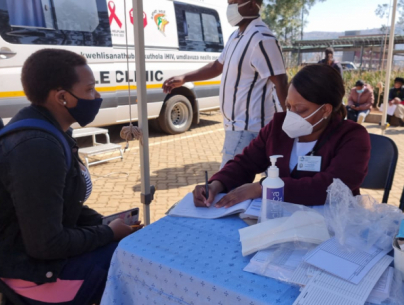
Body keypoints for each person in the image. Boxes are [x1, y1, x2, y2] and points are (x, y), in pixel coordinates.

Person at [0, 49, 141, 305]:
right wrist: (107, 234)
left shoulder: (51, 130)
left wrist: (105, 222)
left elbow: (62, 204)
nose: (96, 96)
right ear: (62, 97)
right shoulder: (38, 147)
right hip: (32, 276)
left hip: (41, 259)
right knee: (133, 264)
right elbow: (46, 244)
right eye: (89, 90)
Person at [192, 64, 371, 208]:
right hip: (278, 221)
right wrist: (216, 184)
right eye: (288, 107)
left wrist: (263, 189)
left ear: (325, 109)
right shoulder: (278, 128)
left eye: (300, 109)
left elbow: (332, 188)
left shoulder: (352, 136)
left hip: (332, 227)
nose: (291, 115)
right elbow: (245, 163)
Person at [163, 0, 288, 169]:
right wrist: (185, 77)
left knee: (225, 185)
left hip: (250, 127)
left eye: (235, 2)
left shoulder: (261, 39)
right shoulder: (235, 36)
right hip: (235, 127)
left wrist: (288, 122)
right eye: (229, 2)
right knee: (261, 181)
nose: (230, 7)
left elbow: (280, 81)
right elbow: (217, 66)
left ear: (252, 5)